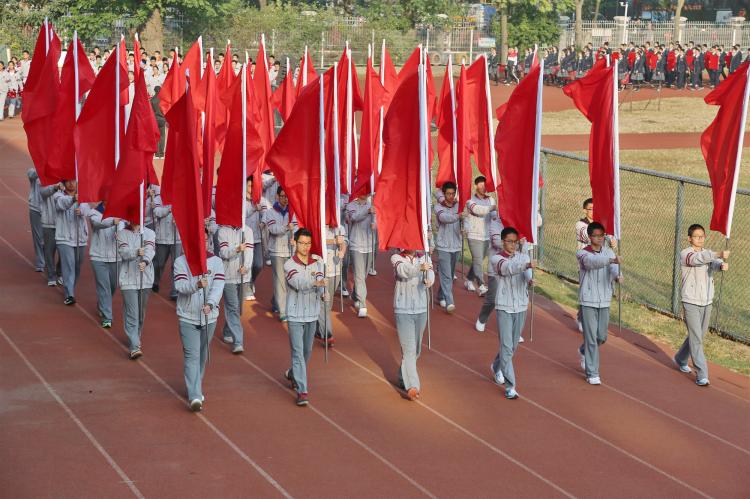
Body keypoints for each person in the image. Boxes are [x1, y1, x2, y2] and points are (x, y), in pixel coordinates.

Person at [673, 224, 729, 387]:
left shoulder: (707, 254)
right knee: (696, 338)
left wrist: (721, 265)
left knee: (698, 335)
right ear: (690, 238)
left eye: (702, 236)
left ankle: (680, 358)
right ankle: (702, 374)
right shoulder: (686, 254)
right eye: (696, 236)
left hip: (706, 301)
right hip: (690, 301)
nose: (700, 239)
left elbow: (713, 263)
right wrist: (717, 254)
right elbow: (697, 260)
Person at [174, 236, 225, 412]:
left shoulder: (216, 262)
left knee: (203, 355)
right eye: (198, 238)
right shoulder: (181, 261)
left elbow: (218, 286)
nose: (201, 241)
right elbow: (180, 286)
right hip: (187, 316)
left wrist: (210, 304)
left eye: (204, 238)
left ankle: (196, 384)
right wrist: (196, 285)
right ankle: (195, 395)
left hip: (209, 317)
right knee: (191, 355)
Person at [489, 227, 535, 400]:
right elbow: (508, 268)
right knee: (507, 346)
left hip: (521, 305)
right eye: (509, 241)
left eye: (515, 241)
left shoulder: (524, 256)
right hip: (504, 306)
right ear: (503, 242)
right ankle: (511, 386)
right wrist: (526, 264)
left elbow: (526, 274)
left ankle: (496, 365)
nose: (513, 245)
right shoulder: (496, 258)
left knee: (512, 346)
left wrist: (530, 279)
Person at [283, 229, 327, 407]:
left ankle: (293, 373)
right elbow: (298, 283)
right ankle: (302, 390)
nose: (305, 247)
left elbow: (321, 281)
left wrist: (323, 292)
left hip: (312, 313)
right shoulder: (289, 265)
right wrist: (315, 282)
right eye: (301, 243)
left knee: (307, 351)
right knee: (298, 353)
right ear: (295, 243)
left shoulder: (316, 263)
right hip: (294, 314)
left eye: (308, 244)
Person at [576, 222, 622, 385]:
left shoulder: (609, 252)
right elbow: (592, 264)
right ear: (590, 237)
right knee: (590, 337)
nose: (599, 238)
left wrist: (617, 276)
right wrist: (611, 260)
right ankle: (592, 372)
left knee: (601, 336)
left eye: (601, 235)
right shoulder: (582, 253)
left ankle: (583, 350)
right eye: (595, 236)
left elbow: (614, 268)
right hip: (588, 299)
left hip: (604, 299)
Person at [391, 248, 434, 401]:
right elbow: (404, 271)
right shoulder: (397, 258)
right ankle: (413, 386)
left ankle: (402, 377)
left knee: (415, 350)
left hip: (421, 308)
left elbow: (430, 273)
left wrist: (429, 280)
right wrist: (419, 268)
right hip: (403, 309)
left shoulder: (424, 257)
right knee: (409, 350)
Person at [117, 222, 156, 359]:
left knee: (140, 313)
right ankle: (134, 346)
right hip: (128, 279)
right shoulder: (122, 233)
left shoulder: (149, 233)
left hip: (145, 279)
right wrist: (136, 252)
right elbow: (123, 253)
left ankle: (136, 338)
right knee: (132, 313)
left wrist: (145, 261)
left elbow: (150, 250)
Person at [217, 223, 253, 354]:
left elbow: (249, 252)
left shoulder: (247, 230)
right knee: (232, 307)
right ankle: (238, 341)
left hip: (243, 276)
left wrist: (247, 267)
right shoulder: (223, 231)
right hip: (228, 276)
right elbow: (223, 253)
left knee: (237, 308)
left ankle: (227, 330)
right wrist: (237, 249)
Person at [53, 180, 89, 305]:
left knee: (77, 266)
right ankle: (70, 294)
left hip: (80, 239)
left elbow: (87, 210)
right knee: (69, 265)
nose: (71, 184)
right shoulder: (58, 195)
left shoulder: (83, 196)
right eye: (68, 181)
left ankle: (70, 286)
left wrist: (82, 210)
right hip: (64, 238)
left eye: (73, 181)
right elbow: (61, 204)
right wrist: (73, 199)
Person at [264, 186, 296, 321]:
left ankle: (276, 300)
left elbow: (297, 227)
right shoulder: (271, 212)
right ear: (277, 196)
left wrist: (296, 237)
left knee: (289, 280)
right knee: (279, 281)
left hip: (290, 250)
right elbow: (272, 229)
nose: (285, 199)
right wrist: (286, 228)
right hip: (276, 250)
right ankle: (283, 311)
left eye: (287, 196)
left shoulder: (293, 212)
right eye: (282, 196)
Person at [88, 203, 119, 328]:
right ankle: (107, 317)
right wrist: (113, 221)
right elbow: (98, 224)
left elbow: (125, 229)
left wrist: (121, 233)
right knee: (104, 286)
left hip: (116, 257)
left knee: (113, 285)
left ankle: (102, 303)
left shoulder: (120, 213)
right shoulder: (94, 213)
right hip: (98, 256)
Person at [464, 176, 496, 296]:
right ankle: (482, 285)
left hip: (486, 235)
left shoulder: (491, 200)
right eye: (481, 185)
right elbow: (477, 210)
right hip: (474, 234)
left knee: (478, 260)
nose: (483, 188)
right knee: (478, 261)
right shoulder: (470, 200)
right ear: (475, 186)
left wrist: (497, 212)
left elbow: (493, 215)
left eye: (485, 186)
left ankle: (469, 279)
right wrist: (492, 208)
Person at [345, 194, 376, 317]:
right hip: (356, 244)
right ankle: (362, 304)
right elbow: (354, 218)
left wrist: (375, 224)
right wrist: (368, 211)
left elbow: (378, 222)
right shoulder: (351, 205)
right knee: (359, 275)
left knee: (364, 274)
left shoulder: (372, 205)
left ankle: (355, 295)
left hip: (369, 244)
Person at [316, 224, 347, 345]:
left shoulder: (339, 226)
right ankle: (327, 335)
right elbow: (315, 240)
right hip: (320, 269)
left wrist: (342, 250)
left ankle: (319, 329)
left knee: (328, 305)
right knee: (324, 302)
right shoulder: (317, 223)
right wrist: (333, 240)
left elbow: (344, 242)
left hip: (335, 269)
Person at [434, 182, 462, 313]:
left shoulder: (459, 206)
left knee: (449, 274)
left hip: (456, 246)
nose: (451, 196)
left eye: (452, 193)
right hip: (443, 246)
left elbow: (464, 220)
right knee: (446, 276)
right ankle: (450, 302)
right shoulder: (438, 207)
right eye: (448, 194)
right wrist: (458, 216)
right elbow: (444, 218)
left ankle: (440, 295)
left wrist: (465, 225)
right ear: (443, 194)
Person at [475, 211, 503, 332]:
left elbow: (538, 221)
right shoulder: (495, 223)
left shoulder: (518, 222)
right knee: (492, 299)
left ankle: (513, 330)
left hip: (513, 267)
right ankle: (482, 318)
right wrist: (518, 242)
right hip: (496, 268)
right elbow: (498, 243)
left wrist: (535, 210)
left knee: (511, 302)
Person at [152, 189, 182, 300]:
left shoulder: (182, 197)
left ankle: (175, 291)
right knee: (159, 263)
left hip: (177, 238)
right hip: (162, 237)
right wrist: (169, 209)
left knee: (176, 265)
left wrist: (179, 218)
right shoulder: (159, 197)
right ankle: (155, 280)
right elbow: (156, 212)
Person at [244, 176, 265, 300]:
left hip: (256, 238)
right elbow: (242, 214)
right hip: (245, 239)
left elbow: (267, 212)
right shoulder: (241, 200)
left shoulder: (259, 199)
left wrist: (263, 221)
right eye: (249, 186)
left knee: (258, 264)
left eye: (253, 186)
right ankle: (246, 288)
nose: (251, 189)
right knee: (247, 263)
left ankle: (251, 281)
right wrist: (253, 209)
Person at [40, 181, 63, 286]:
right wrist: (55, 187)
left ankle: (60, 271)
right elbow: (43, 192)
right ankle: (51, 276)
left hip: (63, 224)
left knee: (64, 252)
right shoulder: (45, 180)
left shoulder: (67, 183)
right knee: (49, 251)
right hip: (48, 223)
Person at [26, 168, 45, 272]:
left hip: (50, 210)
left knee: (47, 238)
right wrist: (42, 167)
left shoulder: (55, 171)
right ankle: (40, 262)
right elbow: (31, 175)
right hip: (35, 208)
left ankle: (46, 257)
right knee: (38, 236)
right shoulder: (33, 171)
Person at [150, 86, 166, 158]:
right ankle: (161, 153)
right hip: (162, 119)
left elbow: (151, 111)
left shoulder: (152, 99)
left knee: (156, 136)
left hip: (155, 119)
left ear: (154, 91)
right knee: (162, 136)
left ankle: (156, 153)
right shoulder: (163, 99)